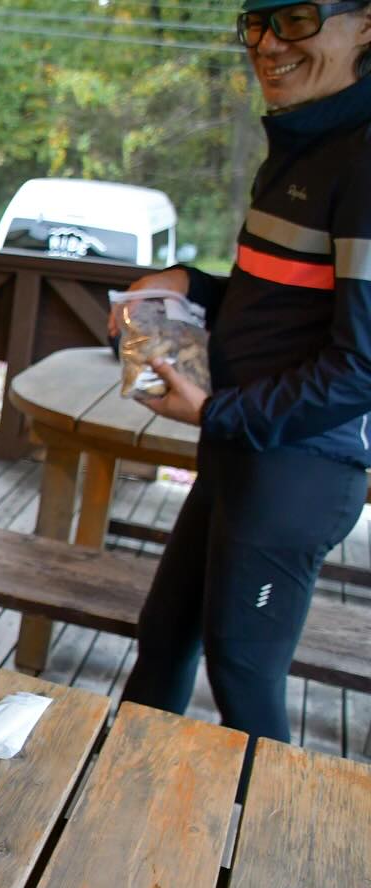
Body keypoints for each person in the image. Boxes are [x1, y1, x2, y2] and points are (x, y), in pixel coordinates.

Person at [112, 1, 371, 755]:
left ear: (364, 24)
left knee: (244, 670)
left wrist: (218, 411)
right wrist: (187, 283)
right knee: (164, 638)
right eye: (255, 22)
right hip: (242, 454)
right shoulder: (304, 143)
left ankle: (261, 862)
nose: (266, 43)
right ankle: (113, 808)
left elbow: (359, 368)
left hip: (299, 470)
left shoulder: (362, 159)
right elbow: (275, 307)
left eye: (293, 20)